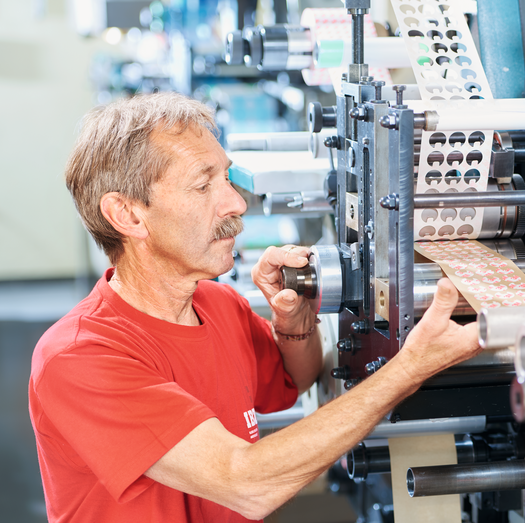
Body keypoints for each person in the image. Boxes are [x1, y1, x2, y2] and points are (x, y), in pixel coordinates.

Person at [29, 92, 481, 522]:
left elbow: (291, 380)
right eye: (204, 185)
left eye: (225, 178)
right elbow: (245, 483)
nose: (237, 204)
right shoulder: (78, 358)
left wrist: (294, 327)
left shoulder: (216, 302)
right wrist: (409, 368)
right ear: (128, 215)